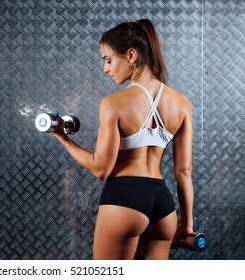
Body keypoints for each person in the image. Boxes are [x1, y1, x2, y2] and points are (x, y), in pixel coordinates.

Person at [52, 19, 194, 259]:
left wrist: (63, 138)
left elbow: (101, 169)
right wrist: (187, 224)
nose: (105, 69)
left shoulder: (113, 104)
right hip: (163, 207)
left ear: (131, 55)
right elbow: (184, 172)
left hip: (125, 198)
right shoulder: (182, 103)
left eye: (108, 60)